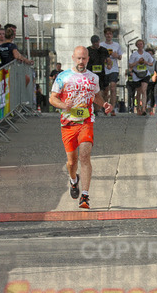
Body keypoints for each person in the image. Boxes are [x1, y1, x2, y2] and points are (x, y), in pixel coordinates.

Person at [49, 46, 113, 209]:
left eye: (84, 58)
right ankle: (73, 180)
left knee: (85, 155)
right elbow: (52, 98)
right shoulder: (63, 77)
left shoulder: (93, 78)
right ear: (73, 58)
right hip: (68, 124)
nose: (81, 61)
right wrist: (64, 105)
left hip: (86, 122)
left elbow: (96, 96)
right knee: (72, 162)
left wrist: (104, 104)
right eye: (78, 58)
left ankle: (85, 195)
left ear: (88, 59)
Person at [99, 27, 123, 116]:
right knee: (105, 90)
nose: (108, 35)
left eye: (110, 34)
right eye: (107, 34)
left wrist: (116, 56)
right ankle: (106, 107)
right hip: (104, 70)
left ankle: (112, 108)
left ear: (112, 35)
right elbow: (98, 57)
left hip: (114, 69)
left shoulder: (116, 45)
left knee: (113, 88)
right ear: (105, 35)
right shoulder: (101, 45)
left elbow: (120, 57)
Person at [86, 35, 112, 115]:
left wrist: (109, 64)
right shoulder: (88, 50)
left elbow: (108, 59)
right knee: (96, 92)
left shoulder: (103, 50)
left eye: (97, 42)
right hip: (91, 74)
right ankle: (96, 109)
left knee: (105, 91)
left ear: (99, 41)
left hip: (102, 74)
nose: (96, 44)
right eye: (94, 43)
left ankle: (104, 106)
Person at [128, 39, 154, 115]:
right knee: (139, 92)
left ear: (143, 45)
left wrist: (146, 63)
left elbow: (151, 63)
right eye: (138, 44)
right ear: (136, 45)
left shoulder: (147, 54)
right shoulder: (134, 55)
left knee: (144, 90)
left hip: (145, 74)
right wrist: (137, 62)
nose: (140, 45)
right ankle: (138, 108)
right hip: (137, 74)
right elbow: (130, 65)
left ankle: (143, 108)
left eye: (141, 44)